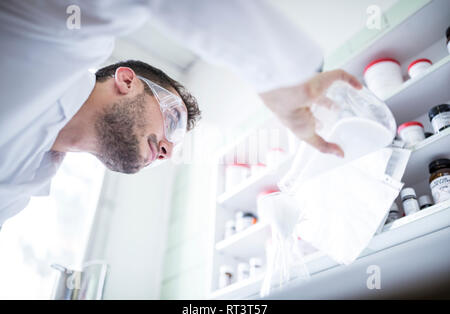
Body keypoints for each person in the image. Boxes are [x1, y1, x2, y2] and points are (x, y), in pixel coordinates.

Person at [0, 0, 362, 227]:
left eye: (172, 145)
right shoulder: (61, 42)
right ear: (127, 81)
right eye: (172, 120)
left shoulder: (20, 188)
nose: (168, 151)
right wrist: (281, 78)